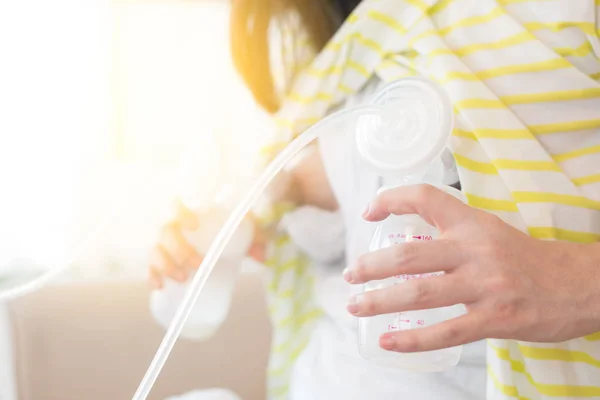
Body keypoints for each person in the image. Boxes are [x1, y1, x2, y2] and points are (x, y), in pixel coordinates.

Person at [151, 0, 600, 399]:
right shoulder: (360, 41)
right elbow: (342, 220)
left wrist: (573, 283)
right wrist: (239, 220)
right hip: (323, 377)